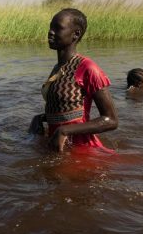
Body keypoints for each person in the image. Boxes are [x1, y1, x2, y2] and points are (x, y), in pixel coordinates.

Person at [29, 8, 118, 153]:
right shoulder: (58, 67)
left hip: (81, 149)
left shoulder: (88, 68)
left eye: (58, 28)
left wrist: (64, 131)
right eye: (51, 27)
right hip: (58, 145)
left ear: (75, 34)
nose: (50, 32)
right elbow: (63, 108)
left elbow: (111, 120)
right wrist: (40, 118)